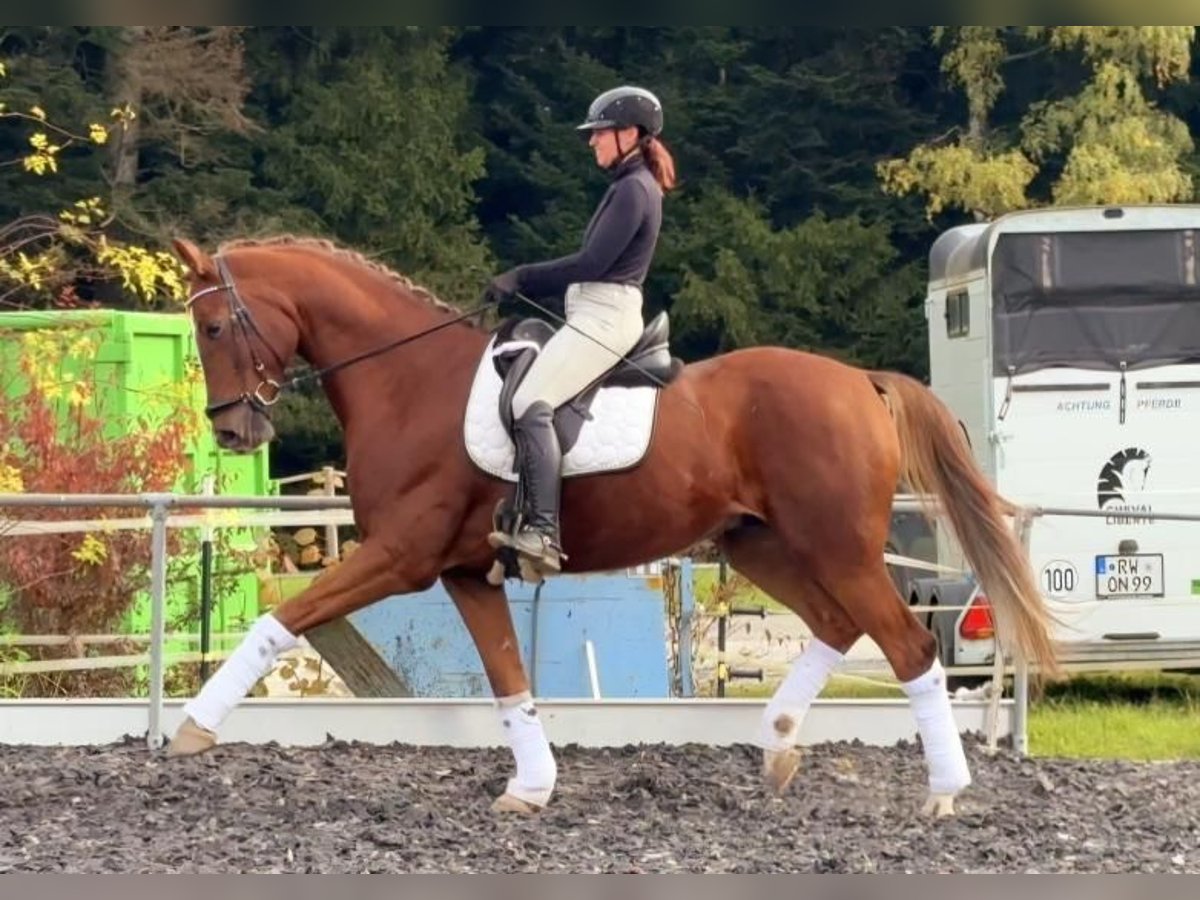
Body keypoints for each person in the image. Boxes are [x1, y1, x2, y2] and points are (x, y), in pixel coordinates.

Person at [483, 85, 677, 577]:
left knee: (530, 403)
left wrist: (522, 277)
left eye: (600, 133)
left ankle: (544, 533)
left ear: (629, 133)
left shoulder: (633, 190)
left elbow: (592, 263)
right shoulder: (630, 185)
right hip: (593, 312)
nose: (592, 141)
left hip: (605, 319)